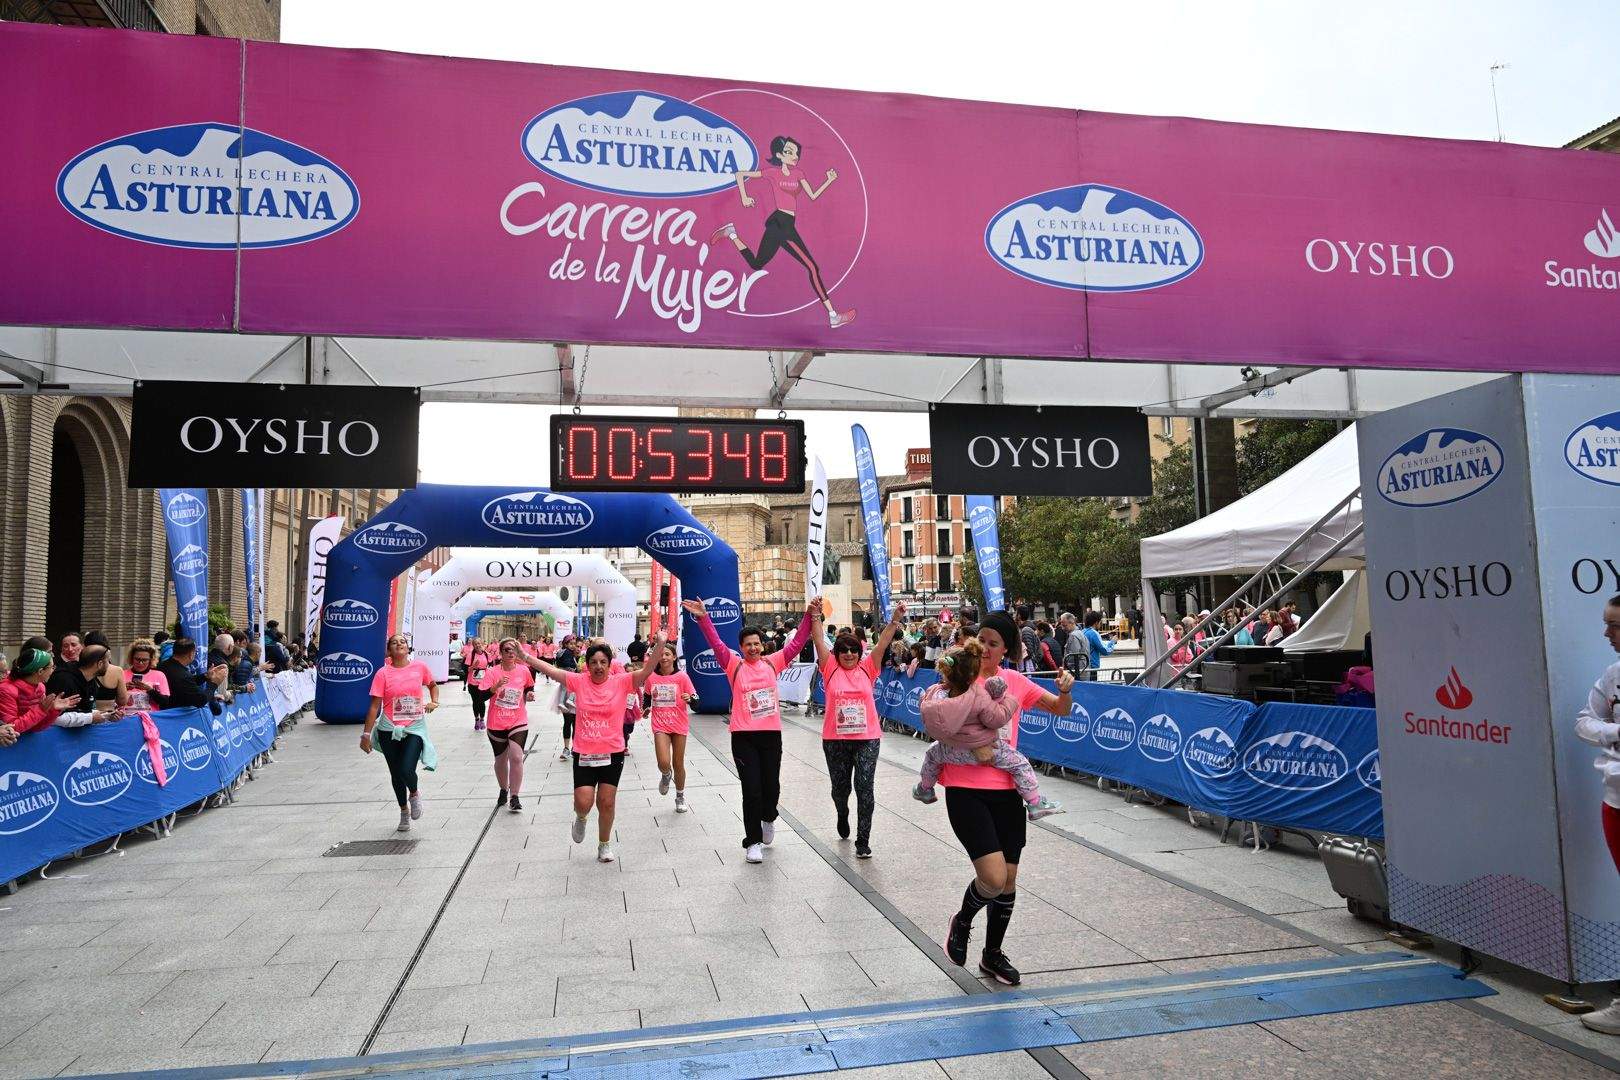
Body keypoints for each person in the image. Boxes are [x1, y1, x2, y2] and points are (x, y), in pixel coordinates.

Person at [940, 610, 1075, 987]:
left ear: (1006, 650)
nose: (983, 647)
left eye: (993, 643)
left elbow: (1060, 709)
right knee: (993, 877)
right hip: (965, 789)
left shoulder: (1015, 681)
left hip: (1007, 792)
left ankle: (992, 954)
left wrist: (1065, 689)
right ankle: (963, 919)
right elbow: (933, 717)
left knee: (1009, 880)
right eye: (980, 639)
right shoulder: (958, 675)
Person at [683, 596, 817, 864]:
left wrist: (809, 615)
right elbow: (715, 643)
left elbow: (798, 643)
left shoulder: (773, 662)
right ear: (741, 648)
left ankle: (769, 817)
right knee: (751, 789)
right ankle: (752, 841)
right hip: (743, 736)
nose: (753, 648)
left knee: (772, 787)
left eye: (756, 644)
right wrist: (703, 617)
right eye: (748, 645)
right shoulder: (734, 664)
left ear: (762, 645)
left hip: (770, 735)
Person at [511, 634, 668, 863]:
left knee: (607, 801)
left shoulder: (621, 681)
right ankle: (581, 818)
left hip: (612, 752)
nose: (598, 667)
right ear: (587, 665)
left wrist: (661, 644)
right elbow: (551, 670)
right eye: (593, 662)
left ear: (609, 664)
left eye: (603, 662)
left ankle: (604, 844)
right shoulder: (579, 681)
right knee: (584, 801)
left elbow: (647, 670)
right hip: (585, 752)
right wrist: (525, 656)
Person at [914, 639, 1063, 820]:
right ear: (973, 674)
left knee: (931, 755)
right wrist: (1009, 700)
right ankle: (1035, 802)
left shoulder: (934, 693)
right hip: (984, 748)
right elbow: (995, 719)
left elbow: (928, 713)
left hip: (948, 750)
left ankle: (925, 788)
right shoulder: (978, 695)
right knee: (1020, 764)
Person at [812, 601, 902, 858]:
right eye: (844, 650)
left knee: (865, 788)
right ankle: (842, 813)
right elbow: (819, 640)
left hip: (867, 739)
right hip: (835, 740)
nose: (849, 654)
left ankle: (863, 840)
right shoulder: (829, 668)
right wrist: (816, 616)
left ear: (860, 652)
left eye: (854, 650)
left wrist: (894, 619)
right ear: (837, 653)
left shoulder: (868, 668)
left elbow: (883, 642)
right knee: (840, 789)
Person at [1577, 594, 1620, 1034]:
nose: (1607, 634)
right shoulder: (1613, 675)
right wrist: (1614, 731)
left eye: (1615, 626)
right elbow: (1584, 721)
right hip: (1616, 801)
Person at [359, 634, 439, 833]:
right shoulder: (383, 673)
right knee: (395, 773)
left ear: (408, 647)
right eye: (394, 643)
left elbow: (433, 685)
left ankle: (414, 793)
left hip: (414, 726)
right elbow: (374, 706)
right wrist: (366, 735)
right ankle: (403, 812)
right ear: (389, 650)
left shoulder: (419, 667)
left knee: (406, 769)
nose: (399, 644)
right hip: (388, 728)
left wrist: (434, 701)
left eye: (402, 642)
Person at [476, 639, 537, 812]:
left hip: (518, 720)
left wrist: (530, 694)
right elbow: (480, 697)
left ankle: (515, 796)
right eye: (508, 650)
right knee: (500, 760)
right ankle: (504, 789)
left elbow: (528, 687)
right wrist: (495, 688)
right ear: (500, 653)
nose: (511, 653)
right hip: (496, 722)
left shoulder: (524, 670)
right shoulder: (492, 672)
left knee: (517, 757)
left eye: (514, 650)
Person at [644, 649, 698, 812]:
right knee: (664, 762)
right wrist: (645, 709)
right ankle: (666, 775)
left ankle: (680, 796)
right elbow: (646, 697)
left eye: (667, 654)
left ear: (674, 657)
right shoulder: (651, 677)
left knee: (678, 762)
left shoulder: (682, 677)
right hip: (660, 724)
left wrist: (690, 699)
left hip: (679, 724)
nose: (664, 657)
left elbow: (696, 699)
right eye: (661, 654)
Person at [0, 648, 78, 736]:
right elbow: (10, 729)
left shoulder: (40, 687)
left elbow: (36, 727)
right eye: (52, 667)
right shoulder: (6, 690)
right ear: (40, 671)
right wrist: (41, 710)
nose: (53, 670)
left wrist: (53, 710)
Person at [158, 638, 228, 712]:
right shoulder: (182, 675)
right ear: (191, 654)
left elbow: (185, 684)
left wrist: (205, 676)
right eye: (196, 652)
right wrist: (214, 684)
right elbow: (200, 700)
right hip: (175, 717)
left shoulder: (163, 666)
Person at [82, 632, 130, 710]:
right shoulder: (117, 670)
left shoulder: (81, 669)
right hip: (108, 717)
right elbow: (122, 701)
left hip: (85, 717)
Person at [123, 639, 171, 713]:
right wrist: (123, 689)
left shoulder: (159, 675)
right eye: (137, 659)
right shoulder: (122, 674)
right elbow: (112, 700)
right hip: (126, 719)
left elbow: (165, 702)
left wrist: (150, 690)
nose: (140, 663)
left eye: (144, 660)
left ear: (151, 660)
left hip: (151, 719)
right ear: (131, 658)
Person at [554, 636, 580, 760]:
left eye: (577, 645)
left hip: (578, 692)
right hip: (569, 690)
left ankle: (575, 747)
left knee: (576, 722)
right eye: (571, 643)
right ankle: (566, 748)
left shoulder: (576, 658)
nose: (575, 646)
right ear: (565, 644)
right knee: (568, 721)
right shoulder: (569, 656)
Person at [1080, 611, 1117, 681]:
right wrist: (1112, 643)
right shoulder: (1093, 633)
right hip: (1092, 666)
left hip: (1084, 665)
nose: (1100, 624)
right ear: (1096, 622)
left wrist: (1110, 643)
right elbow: (1104, 650)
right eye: (1100, 622)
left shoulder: (1083, 631)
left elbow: (1099, 644)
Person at [466, 638, 492, 731]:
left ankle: (482, 719)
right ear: (473, 645)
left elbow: (489, 666)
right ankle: (476, 719)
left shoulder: (486, 654)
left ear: (482, 644)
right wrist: (474, 666)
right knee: (475, 701)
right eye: (475, 644)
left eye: (479, 643)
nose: (477, 645)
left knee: (482, 701)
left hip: (483, 682)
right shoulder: (471, 655)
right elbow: (467, 670)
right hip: (473, 682)